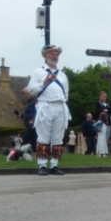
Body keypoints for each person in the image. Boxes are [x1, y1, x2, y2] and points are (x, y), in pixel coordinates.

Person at [26, 44, 71, 176]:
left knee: (58, 137)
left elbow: (66, 93)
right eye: (52, 53)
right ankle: (42, 165)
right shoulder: (38, 72)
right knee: (43, 136)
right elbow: (30, 90)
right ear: (45, 55)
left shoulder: (62, 75)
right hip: (45, 105)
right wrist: (43, 83)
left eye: (56, 54)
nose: (55, 56)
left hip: (60, 106)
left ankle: (55, 165)